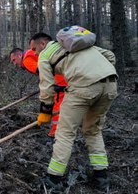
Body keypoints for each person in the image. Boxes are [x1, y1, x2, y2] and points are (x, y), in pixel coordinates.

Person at [30, 29, 117, 191]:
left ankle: (53, 178)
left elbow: (46, 87)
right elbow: (110, 56)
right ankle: (101, 176)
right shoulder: (77, 45)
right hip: (110, 84)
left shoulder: (45, 54)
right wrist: (97, 75)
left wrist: (45, 111)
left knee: (65, 132)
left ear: (42, 44)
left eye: (34, 49)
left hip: (82, 87)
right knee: (93, 130)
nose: (34, 53)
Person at [9, 34, 67, 138]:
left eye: (14, 60)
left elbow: (43, 70)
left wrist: (47, 85)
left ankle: (55, 134)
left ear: (19, 55)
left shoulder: (26, 60)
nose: (14, 63)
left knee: (57, 108)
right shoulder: (31, 53)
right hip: (63, 77)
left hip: (60, 82)